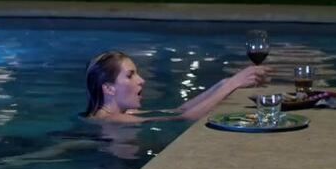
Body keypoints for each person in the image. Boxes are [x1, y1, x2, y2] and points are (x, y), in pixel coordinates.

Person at [82, 50, 269, 123]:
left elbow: (179, 110)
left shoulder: (127, 113)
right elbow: (185, 118)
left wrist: (225, 83)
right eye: (130, 75)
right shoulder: (110, 119)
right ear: (109, 88)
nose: (141, 80)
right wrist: (234, 83)